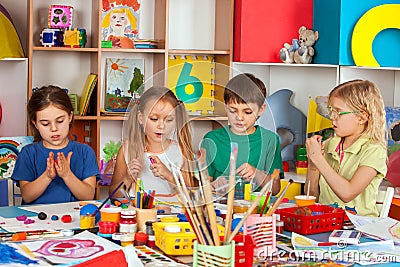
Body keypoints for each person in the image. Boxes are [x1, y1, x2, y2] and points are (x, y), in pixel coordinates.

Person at [305, 80, 387, 216]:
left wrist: (319, 160)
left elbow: (348, 194)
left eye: (338, 112)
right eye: (331, 110)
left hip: (360, 228)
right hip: (326, 223)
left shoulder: (374, 150)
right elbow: (312, 196)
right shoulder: (330, 145)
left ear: (361, 117)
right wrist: (313, 166)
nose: (332, 117)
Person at [12, 86, 99, 205]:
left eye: (59, 121)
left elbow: (88, 195)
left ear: (70, 117)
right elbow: (27, 196)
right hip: (38, 221)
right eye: (45, 124)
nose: (54, 129)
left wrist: (67, 175)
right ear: (35, 124)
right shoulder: (28, 153)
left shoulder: (85, 152)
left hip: (74, 221)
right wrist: (47, 176)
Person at [201, 73, 283, 195]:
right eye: (233, 111)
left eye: (248, 112)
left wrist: (257, 174)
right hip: (220, 209)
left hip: (256, 210)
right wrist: (213, 186)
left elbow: (275, 190)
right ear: (225, 106)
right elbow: (203, 186)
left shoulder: (270, 140)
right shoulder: (212, 139)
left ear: (261, 109)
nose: (239, 117)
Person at [109, 86, 195, 197]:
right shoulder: (127, 150)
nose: (162, 126)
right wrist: (128, 178)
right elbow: (113, 196)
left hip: (171, 214)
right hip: (138, 213)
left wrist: (169, 176)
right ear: (141, 118)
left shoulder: (180, 151)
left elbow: (193, 194)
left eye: (169, 120)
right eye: (154, 119)